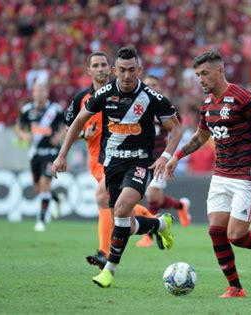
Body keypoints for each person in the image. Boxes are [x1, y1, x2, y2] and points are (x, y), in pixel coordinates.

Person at [52, 47, 182, 288]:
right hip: (112, 164)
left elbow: (176, 128)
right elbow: (78, 121)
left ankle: (109, 269)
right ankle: (161, 224)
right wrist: (62, 155)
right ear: (115, 70)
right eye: (121, 70)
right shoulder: (104, 94)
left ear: (139, 70)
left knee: (121, 210)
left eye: (131, 70)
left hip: (141, 162)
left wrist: (165, 156)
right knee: (126, 224)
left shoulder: (152, 97)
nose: (126, 75)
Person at [165, 51, 251, 298]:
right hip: (220, 175)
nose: (200, 79)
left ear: (219, 71)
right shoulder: (207, 104)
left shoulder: (241, 97)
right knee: (216, 231)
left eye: (205, 73)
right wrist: (176, 157)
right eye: (198, 74)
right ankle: (235, 287)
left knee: (236, 235)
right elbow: (201, 136)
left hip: (246, 175)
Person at [66, 52, 159, 269]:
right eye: (95, 65)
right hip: (96, 160)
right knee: (119, 206)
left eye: (103, 65)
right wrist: (82, 135)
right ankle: (157, 223)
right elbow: (69, 127)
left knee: (106, 198)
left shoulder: (123, 94)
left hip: (120, 158)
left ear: (111, 69)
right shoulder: (82, 99)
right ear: (89, 70)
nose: (100, 69)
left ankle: (104, 253)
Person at [136, 75, 191, 248]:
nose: (151, 87)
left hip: (160, 158)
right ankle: (181, 206)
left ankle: (149, 236)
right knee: (155, 198)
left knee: (152, 195)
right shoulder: (136, 107)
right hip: (139, 157)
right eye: (148, 85)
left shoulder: (164, 107)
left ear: (160, 87)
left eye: (154, 84)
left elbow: (177, 125)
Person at [15, 81, 66, 232]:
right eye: (36, 91)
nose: (39, 93)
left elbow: (66, 126)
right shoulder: (27, 109)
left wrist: (59, 136)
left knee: (45, 184)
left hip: (51, 153)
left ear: (46, 92)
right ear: (33, 93)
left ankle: (41, 220)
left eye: (41, 90)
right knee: (38, 189)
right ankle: (56, 199)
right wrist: (24, 135)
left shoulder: (55, 110)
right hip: (35, 153)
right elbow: (18, 127)